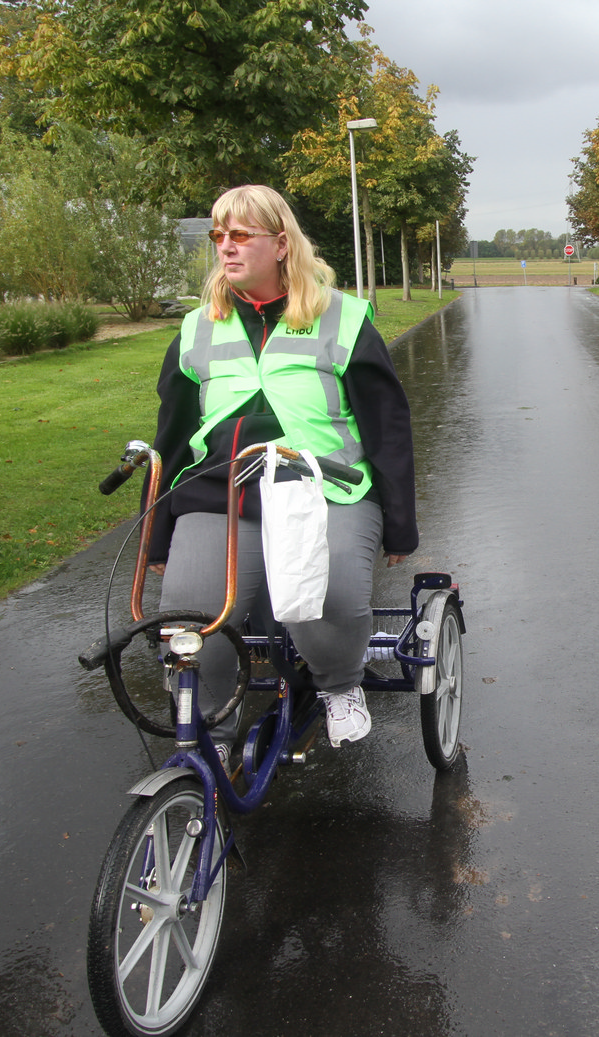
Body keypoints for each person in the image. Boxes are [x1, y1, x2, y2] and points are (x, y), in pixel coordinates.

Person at [147, 184, 418, 753]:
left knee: (326, 592)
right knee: (189, 617)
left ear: (280, 244)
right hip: (221, 490)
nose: (225, 246)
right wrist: (157, 536)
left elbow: (387, 425)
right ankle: (211, 734)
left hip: (326, 486)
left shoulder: (341, 317)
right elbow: (170, 437)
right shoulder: (198, 327)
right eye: (219, 235)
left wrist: (399, 523)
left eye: (240, 234)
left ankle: (339, 683)